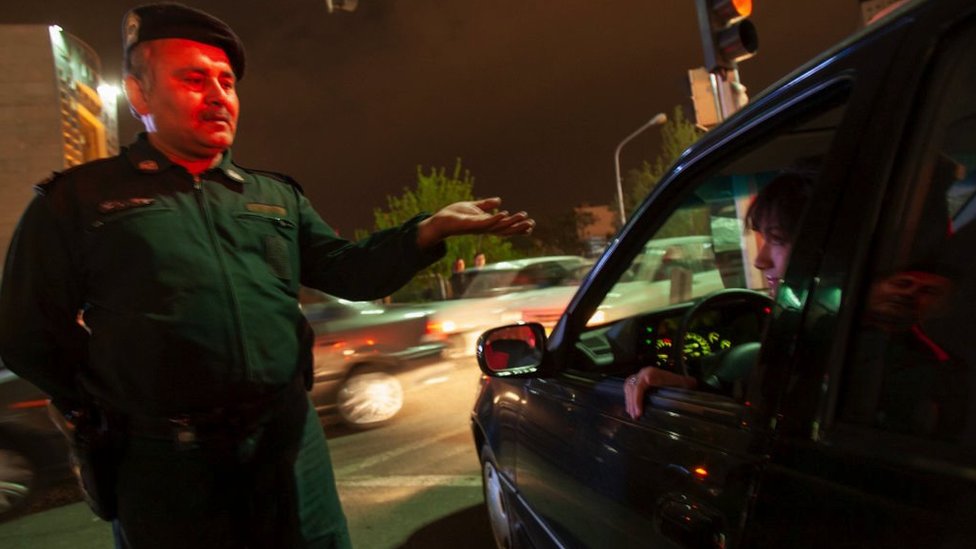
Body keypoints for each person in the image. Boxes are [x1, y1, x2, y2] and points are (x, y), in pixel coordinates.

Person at [0, 4, 533, 548]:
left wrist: (426, 232)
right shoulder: (78, 201)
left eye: (226, 82)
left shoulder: (273, 196)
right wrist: (112, 400)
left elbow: (350, 272)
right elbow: (26, 332)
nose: (217, 94)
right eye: (192, 79)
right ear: (139, 96)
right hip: (166, 468)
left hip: (289, 446)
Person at [625, 173, 813, 420]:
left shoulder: (824, 337)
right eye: (762, 239)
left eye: (776, 239)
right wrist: (687, 386)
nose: (759, 260)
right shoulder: (814, 323)